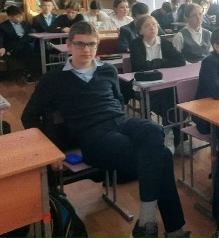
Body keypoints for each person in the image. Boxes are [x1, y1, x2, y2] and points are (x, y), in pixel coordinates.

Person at [21, 22, 190, 238]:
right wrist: (50, 150)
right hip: (92, 135)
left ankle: (147, 225)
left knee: (154, 130)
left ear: (97, 45)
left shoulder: (108, 70)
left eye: (91, 44)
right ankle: (169, 228)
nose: (86, 50)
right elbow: (29, 116)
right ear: (69, 45)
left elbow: (118, 101)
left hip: (120, 121)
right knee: (163, 154)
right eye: (80, 44)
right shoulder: (53, 79)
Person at [129, 15, 186, 150]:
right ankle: (174, 134)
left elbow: (180, 60)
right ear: (140, 31)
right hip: (143, 86)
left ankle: (171, 131)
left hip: (164, 83)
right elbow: (140, 65)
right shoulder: (136, 44)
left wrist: (158, 62)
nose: (152, 28)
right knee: (170, 100)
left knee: (176, 96)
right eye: (147, 26)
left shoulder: (164, 42)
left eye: (154, 24)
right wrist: (163, 63)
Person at [0, 5, 38, 82]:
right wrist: (1, 47)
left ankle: (29, 73)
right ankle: (28, 74)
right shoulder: (3, 26)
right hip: (13, 47)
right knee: (29, 44)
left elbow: (30, 38)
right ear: (10, 17)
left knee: (31, 35)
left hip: (24, 46)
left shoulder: (26, 24)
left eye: (21, 16)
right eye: (17, 17)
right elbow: (0, 38)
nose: (21, 18)